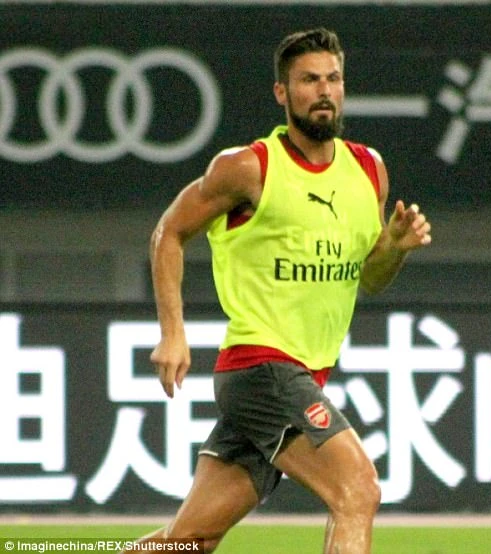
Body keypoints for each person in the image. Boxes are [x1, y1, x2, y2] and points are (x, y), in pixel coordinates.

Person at [127, 27, 431, 554]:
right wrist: (172, 334)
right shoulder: (249, 168)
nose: (324, 91)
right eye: (309, 80)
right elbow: (169, 232)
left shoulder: (368, 170)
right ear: (282, 93)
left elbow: (369, 278)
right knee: (357, 490)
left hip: (298, 376)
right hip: (261, 367)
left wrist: (395, 249)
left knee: (191, 541)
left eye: (333, 79)